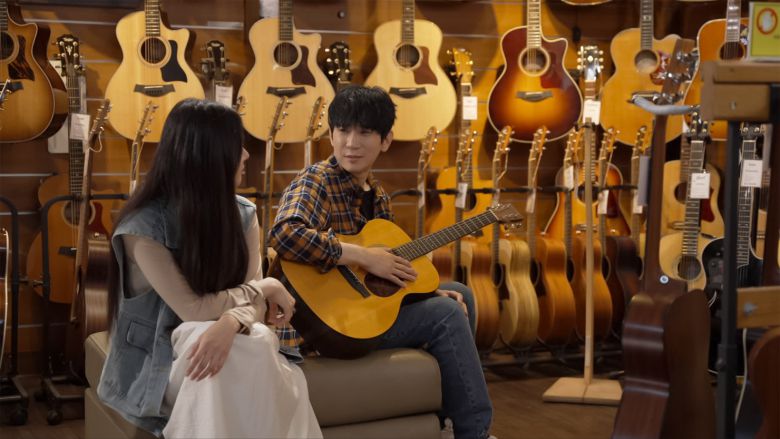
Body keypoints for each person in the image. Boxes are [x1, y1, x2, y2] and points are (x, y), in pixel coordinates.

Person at [269, 85, 494, 439]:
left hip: (360, 313)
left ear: (386, 140)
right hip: (321, 325)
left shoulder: (379, 197)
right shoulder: (316, 180)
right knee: (446, 315)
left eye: (365, 132)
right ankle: (475, 433)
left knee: (459, 294)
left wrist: (426, 294)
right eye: (343, 130)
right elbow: (284, 234)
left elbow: (386, 278)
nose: (351, 143)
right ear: (330, 134)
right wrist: (361, 255)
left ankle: (448, 424)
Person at [97, 99, 321, 439]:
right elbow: (193, 309)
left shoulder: (243, 214)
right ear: (208, 156)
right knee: (233, 344)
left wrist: (230, 323)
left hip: (230, 347)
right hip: (159, 364)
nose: (246, 155)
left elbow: (253, 305)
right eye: (236, 145)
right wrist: (266, 287)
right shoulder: (142, 228)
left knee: (248, 345)